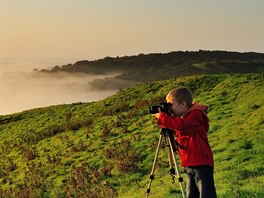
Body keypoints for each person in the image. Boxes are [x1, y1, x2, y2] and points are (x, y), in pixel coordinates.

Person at [153, 87, 217, 198]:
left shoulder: (196, 114)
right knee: (191, 194)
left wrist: (163, 118)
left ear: (183, 104)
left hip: (201, 163)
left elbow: (181, 126)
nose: (170, 109)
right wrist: (165, 122)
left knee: (206, 194)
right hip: (189, 163)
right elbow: (180, 130)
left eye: (171, 105)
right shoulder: (186, 116)